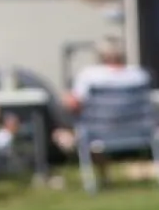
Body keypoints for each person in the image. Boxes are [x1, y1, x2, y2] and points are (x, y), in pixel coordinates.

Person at [54, 37, 153, 183]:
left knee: (64, 132)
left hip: (99, 130)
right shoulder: (139, 75)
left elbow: (74, 104)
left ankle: (102, 176)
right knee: (89, 134)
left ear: (101, 56)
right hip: (136, 129)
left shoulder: (90, 75)